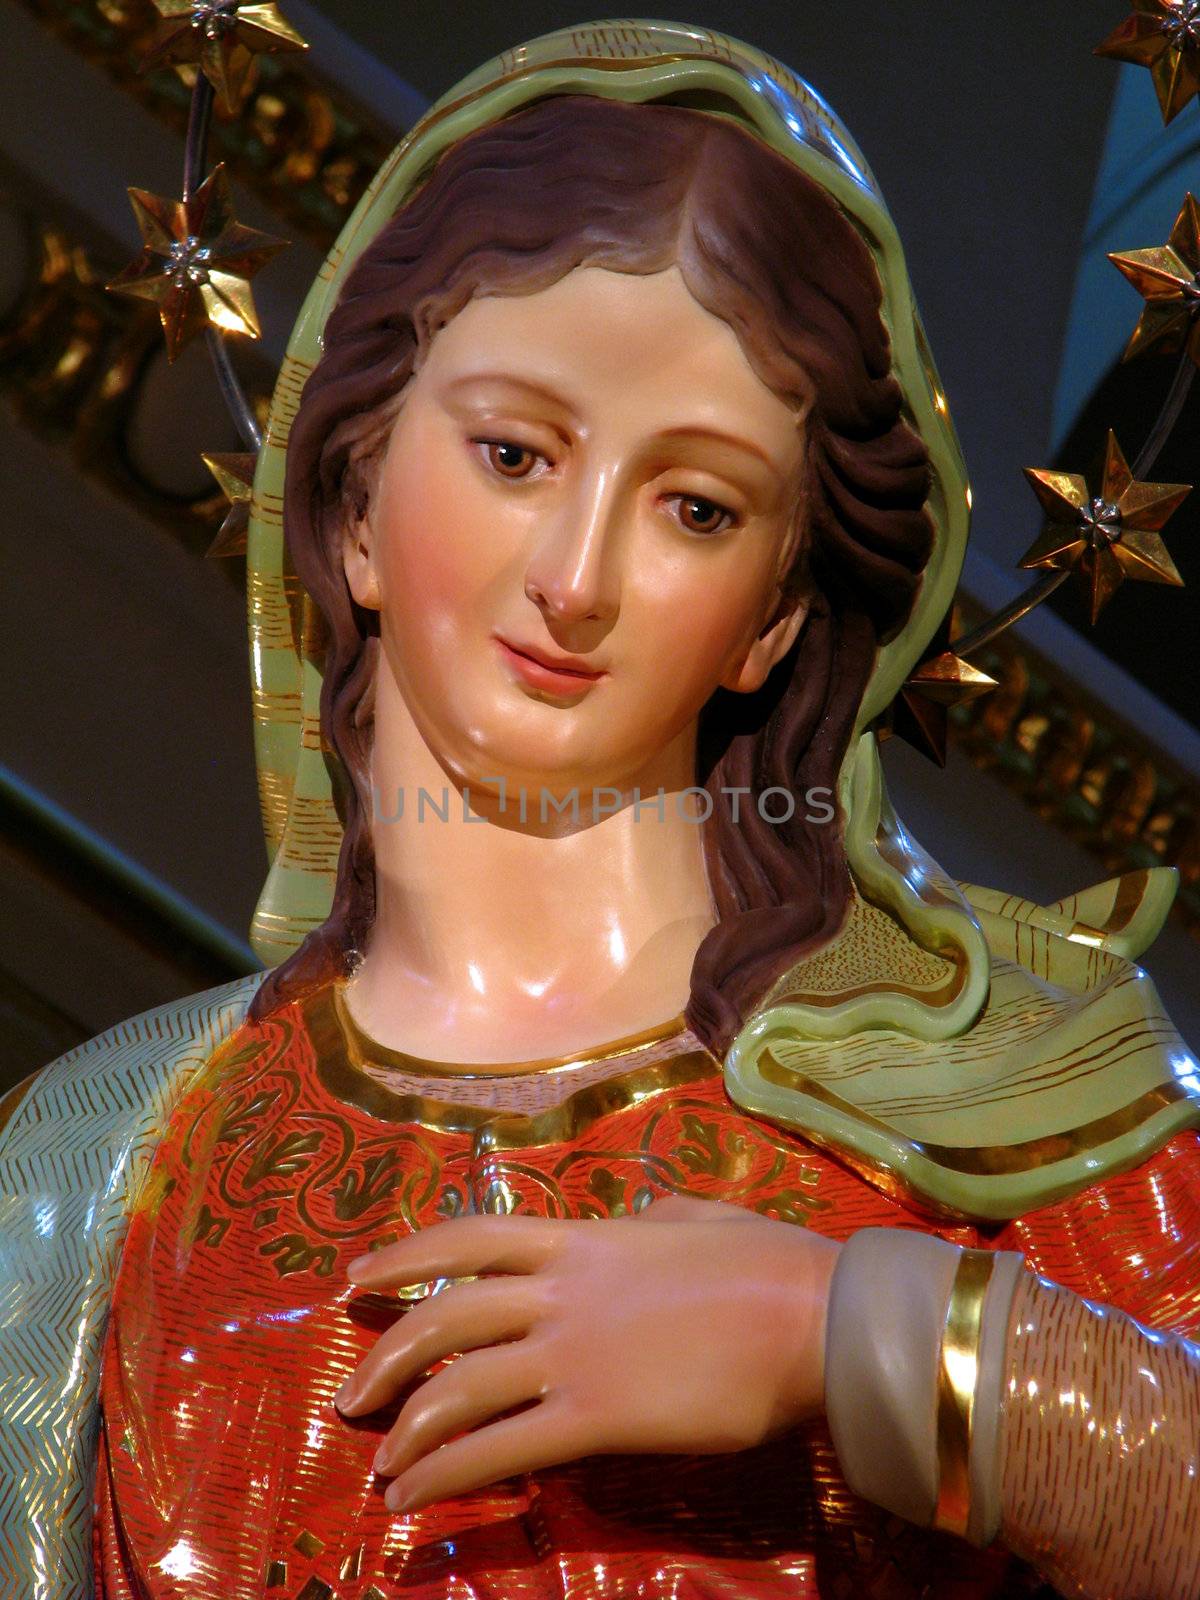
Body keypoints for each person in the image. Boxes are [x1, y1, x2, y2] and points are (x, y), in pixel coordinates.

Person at [3, 19, 1200, 1600]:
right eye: (514, 453)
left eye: (693, 507)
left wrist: (858, 1338)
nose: (575, 579)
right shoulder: (102, 1159)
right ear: (353, 503)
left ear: (772, 618)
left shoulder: (1004, 1082)